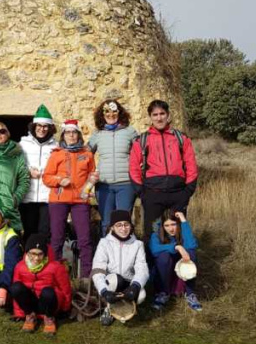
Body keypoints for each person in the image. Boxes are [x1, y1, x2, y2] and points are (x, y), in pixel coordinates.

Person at [129, 99, 198, 238]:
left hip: (178, 193)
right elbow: (133, 167)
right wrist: (142, 192)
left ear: (168, 115)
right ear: (150, 117)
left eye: (162, 113)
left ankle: (179, 259)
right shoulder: (141, 140)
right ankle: (153, 260)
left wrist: (188, 190)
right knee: (153, 234)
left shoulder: (181, 138)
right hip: (152, 194)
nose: (159, 118)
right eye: (155, 115)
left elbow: (191, 165)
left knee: (178, 233)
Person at [43, 119, 97, 283]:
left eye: (74, 133)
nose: (71, 136)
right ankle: (56, 273)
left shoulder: (87, 154)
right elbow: (46, 178)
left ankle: (86, 277)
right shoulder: (56, 154)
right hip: (59, 200)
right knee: (57, 238)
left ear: (78, 135)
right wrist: (59, 180)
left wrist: (92, 181)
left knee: (85, 238)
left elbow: (92, 174)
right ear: (63, 135)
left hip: (81, 200)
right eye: (68, 133)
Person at [89, 99, 138, 235]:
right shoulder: (97, 134)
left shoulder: (130, 131)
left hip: (126, 184)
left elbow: (142, 153)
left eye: (114, 111)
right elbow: (86, 154)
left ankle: (126, 254)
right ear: (102, 114)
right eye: (107, 112)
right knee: (106, 222)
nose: (111, 115)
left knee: (124, 222)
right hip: (104, 185)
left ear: (119, 113)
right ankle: (107, 255)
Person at [11, 233, 72, 337]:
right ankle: (30, 316)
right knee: (15, 287)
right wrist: (19, 313)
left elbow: (66, 289)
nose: (36, 258)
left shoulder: (56, 267)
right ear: (27, 252)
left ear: (45, 254)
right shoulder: (20, 267)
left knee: (48, 292)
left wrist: (65, 309)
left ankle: (49, 318)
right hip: (31, 302)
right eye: (32, 254)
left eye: (40, 254)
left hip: (49, 302)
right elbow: (16, 293)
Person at [91, 210, 149, 308]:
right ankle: (108, 308)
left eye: (126, 224)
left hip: (128, 281)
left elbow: (142, 268)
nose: (123, 228)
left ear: (130, 226)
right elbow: (97, 269)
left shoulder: (138, 244)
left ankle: (127, 307)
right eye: (119, 225)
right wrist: (104, 291)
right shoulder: (104, 243)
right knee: (116, 280)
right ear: (112, 227)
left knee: (141, 295)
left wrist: (135, 286)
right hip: (111, 281)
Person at [19, 104, 58, 244]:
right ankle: (26, 263)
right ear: (34, 127)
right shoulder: (23, 144)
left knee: (45, 231)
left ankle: (43, 263)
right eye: (39, 126)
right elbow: (17, 165)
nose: (42, 129)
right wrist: (27, 171)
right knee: (28, 231)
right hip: (27, 197)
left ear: (50, 128)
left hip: (47, 197)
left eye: (45, 126)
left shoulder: (56, 146)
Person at [149, 210, 202, 311]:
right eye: (167, 225)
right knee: (163, 256)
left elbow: (192, 245)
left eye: (173, 224)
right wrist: (177, 247)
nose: (171, 229)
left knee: (191, 253)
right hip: (164, 273)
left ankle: (190, 293)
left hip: (181, 272)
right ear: (162, 226)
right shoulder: (156, 235)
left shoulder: (182, 232)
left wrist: (183, 221)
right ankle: (163, 292)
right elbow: (154, 250)